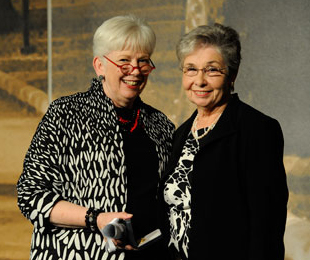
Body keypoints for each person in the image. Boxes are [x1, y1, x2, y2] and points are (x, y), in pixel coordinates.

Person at [17, 14, 175, 260]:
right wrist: (95, 219)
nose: (135, 70)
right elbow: (31, 194)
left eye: (143, 61)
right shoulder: (65, 114)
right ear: (99, 65)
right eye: (124, 61)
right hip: (77, 254)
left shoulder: (161, 124)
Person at [159, 23, 288, 260]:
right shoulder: (181, 134)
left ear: (232, 75)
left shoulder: (257, 130)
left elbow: (266, 224)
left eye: (212, 70)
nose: (200, 81)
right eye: (191, 69)